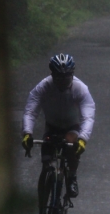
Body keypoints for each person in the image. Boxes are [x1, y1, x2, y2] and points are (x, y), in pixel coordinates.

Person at [21, 53, 95, 203]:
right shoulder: (43, 87)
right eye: (58, 77)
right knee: (46, 166)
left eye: (66, 77)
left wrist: (83, 139)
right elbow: (30, 111)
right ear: (52, 75)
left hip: (72, 126)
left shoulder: (80, 88)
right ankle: (42, 211)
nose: (62, 81)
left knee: (70, 144)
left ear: (72, 75)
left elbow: (88, 116)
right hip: (52, 126)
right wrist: (27, 133)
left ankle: (72, 176)